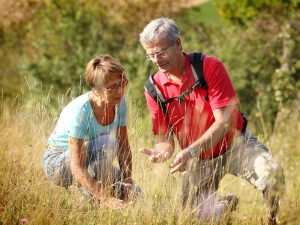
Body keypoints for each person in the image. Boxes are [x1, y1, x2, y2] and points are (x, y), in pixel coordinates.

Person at [139, 17, 285, 224]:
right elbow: (165, 137)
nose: (156, 59)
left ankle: (273, 220)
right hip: (199, 160)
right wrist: (162, 151)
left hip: (236, 145)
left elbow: (223, 122)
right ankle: (223, 207)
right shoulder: (153, 89)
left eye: (161, 52)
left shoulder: (209, 67)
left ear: (178, 44)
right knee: (189, 218)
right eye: (150, 55)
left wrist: (190, 151)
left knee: (272, 175)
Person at [43, 55, 138, 208]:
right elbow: (77, 166)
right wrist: (107, 199)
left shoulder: (119, 102)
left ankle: (96, 198)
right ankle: (89, 205)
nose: (120, 91)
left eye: (122, 83)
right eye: (112, 87)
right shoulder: (80, 111)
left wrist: (127, 186)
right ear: (96, 89)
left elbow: (124, 147)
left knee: (136, 195)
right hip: (58, 163)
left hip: (93, 158)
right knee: (107, 143)